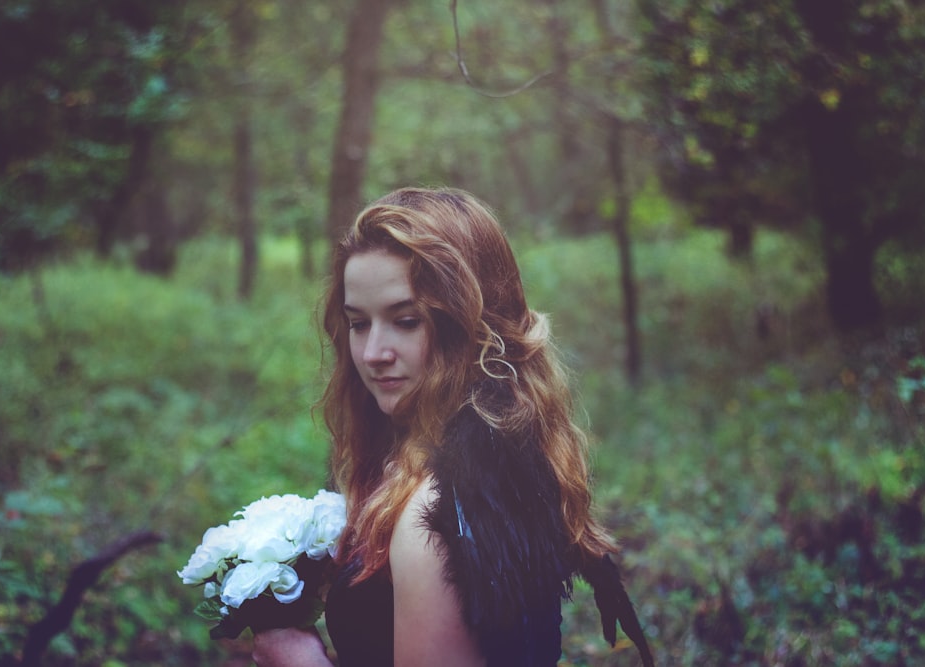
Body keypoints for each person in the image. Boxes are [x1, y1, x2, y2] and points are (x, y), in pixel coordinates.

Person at [252, 187, 652, 666]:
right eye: (358, 324)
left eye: (405, 320)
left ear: (471, 325)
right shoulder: (504, 460)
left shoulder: (432, 515)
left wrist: (300, 661)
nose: (374, 352)